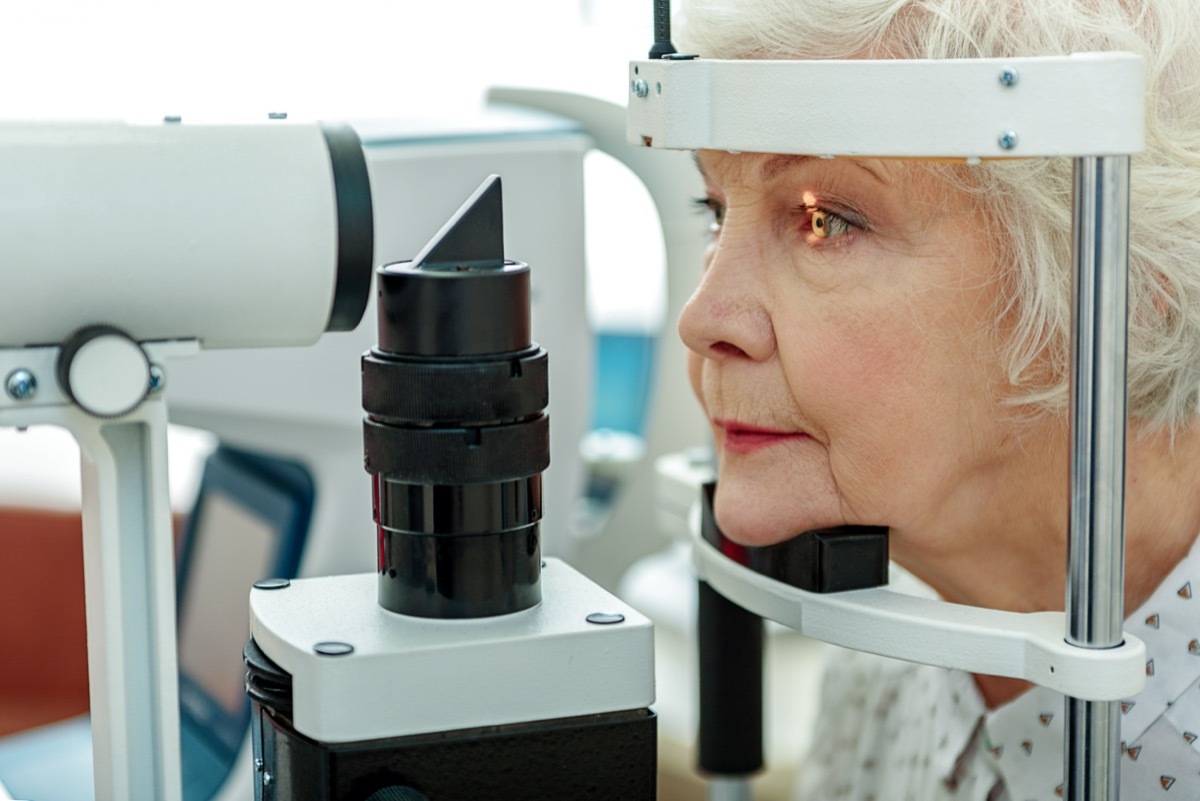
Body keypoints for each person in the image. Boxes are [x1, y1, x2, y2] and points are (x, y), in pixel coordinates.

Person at [671, 0, 1200, 798]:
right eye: (713, 210)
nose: (704, 319)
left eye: (825, 221)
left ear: (1124, 282)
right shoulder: (891, 634)